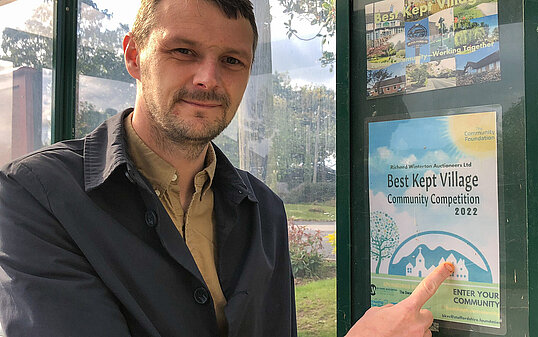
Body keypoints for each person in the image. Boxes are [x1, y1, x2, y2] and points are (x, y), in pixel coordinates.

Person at [0, 0, 451, 336]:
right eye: (183, 51)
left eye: (232, 61)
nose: (209, 78)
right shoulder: (37, 196)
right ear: (134, 56)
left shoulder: (265, 211)